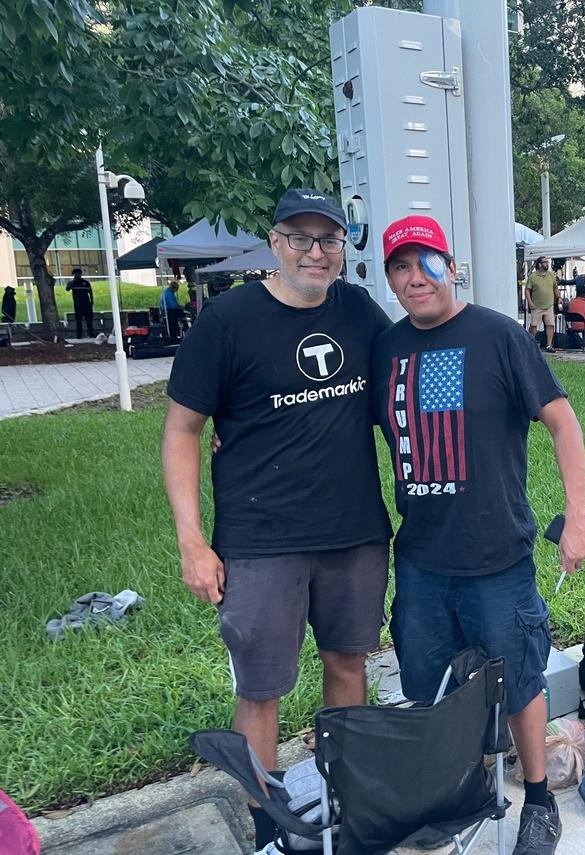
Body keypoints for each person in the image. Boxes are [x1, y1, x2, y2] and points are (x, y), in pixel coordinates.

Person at [161, 189, 393, 851]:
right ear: (274, 241)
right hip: (261, 541)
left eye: (329, 240)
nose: (315, 252)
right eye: (300, 237)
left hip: (354, 533)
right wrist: (191, 540)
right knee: (262, 689)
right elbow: (182, 430)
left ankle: (345, 804)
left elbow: (394, 389)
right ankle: (267, 828)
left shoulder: (359, 310)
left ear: (343, 247)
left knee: (349, 665)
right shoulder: (228, 320)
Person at [373, 215, 585, 855]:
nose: (415, 279)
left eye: (426, 263)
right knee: (428, 685)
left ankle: (539, 800)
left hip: (498, 556)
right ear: (390, 278)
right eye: (400, 268)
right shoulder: (388, 349)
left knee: (521, 678)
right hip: (419, 558)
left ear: (451, 265)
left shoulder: (498, 336)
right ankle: (456, 790)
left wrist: (576, 517)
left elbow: (563, 423)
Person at [526, 256, 559, 353]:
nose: (547, 264)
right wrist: (530, 302)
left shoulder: (551, 275)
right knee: (534, 326)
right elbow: (527, 290)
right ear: (539, 264)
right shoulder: (533, 276)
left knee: (550, 325)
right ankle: (529, 343)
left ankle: (549, 345)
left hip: (549, 305)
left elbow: (555, 287)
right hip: (537, 306)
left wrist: (559, 297)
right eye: (545, 262)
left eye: (547, 262)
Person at [66, 268, 95, 339]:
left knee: (89, 320)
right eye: (76, 274)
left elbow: (90, 293)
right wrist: (73, 282)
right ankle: (79, 334)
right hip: (78, 304)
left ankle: (91, 333)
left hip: (87, 303)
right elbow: (67, 288)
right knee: (78, 320)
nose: (77, 275)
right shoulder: (72, 283)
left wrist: (92, 302)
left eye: (79, 274)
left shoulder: (85, 283)